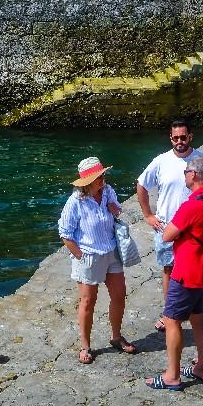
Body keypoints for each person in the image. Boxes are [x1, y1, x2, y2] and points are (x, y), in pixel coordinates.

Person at [136, 119, 203, 334]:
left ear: (190, 137)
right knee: (169, 270)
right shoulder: (161, 161)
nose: (179, 141)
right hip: (168, 227)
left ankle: (191, 310)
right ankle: (170, 313)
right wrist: (148, 215)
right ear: (170, 138)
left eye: (183, 137)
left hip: (195, 232)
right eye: (175, 138)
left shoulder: (202, 161)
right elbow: (141, 185)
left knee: (194, 270)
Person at [145, 154, 203, 390]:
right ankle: (202, 367)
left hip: (187, 271)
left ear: (194, 175)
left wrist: (172, 228)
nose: (184, 175)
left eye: (186, 172)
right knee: (197, 318)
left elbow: (167, 235)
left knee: (171, 320)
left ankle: (172, 376)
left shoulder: (192, 205)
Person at [58, 156, 135, 364]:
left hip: (111, 251)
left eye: (103, 174)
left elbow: (117, 210)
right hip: (89, 255)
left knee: (119, 295)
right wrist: (80, 256)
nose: (103, 178)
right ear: (88, 181)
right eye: (99, 176)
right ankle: (85, 346)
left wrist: (114, 209)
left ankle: (116, 337)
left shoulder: (108, 190)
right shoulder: (76, 201)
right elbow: (65, 233)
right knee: (88, 301)